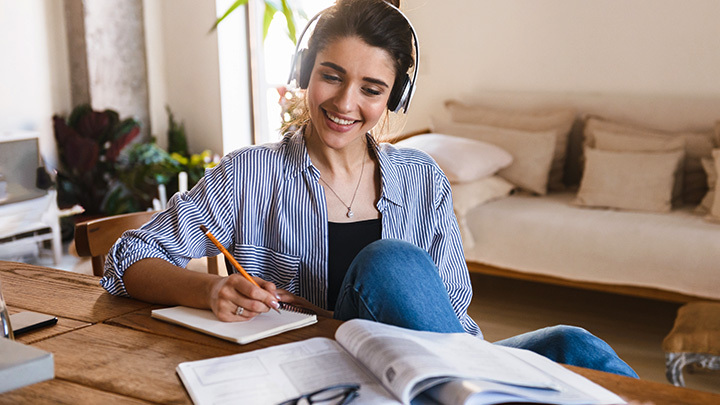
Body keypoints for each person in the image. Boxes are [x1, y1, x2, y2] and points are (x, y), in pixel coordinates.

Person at [101, 0, 637, 378]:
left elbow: (449, 315)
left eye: (372, 88)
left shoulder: (423, 179)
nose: (345, 103)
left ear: (393, 99)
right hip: (327, 374)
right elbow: (125, 261)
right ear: (305, 73)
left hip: (436, 365)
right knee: (388, 263)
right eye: (331, 76)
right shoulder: (250, 175)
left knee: (574, 343)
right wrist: (210, 290)